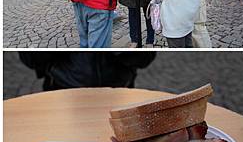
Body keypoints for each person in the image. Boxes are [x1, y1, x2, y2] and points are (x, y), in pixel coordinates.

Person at [19, 52, 156, 90]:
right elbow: (30, 58)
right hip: (61, 89)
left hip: (120, 90)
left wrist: (125, 54)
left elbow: (146, 58)